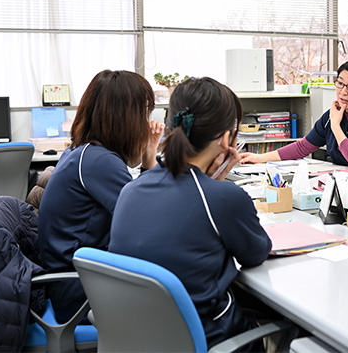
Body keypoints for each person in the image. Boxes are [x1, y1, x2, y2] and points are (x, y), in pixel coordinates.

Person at [109, 77, 272, 350]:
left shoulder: (131, 189)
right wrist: (217, 182)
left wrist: (211, 183)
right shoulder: (224, 198)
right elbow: (257, 252)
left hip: (144, 337)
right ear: (224, 138)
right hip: (208, 338)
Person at [38, 70, 165, 323]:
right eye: (144, 113)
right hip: (82, 293)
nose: (146, 122)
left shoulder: (83, 151)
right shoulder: (99, 161)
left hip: (76, 282)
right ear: (125, 117)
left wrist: (149, 157)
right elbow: (148, 220)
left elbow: (140, 204)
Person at [240, 59, 348, 179]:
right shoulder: (333, 113)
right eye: (340, 84)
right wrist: (260, 158)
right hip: (345, 181)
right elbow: (303, 147)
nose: (343, 92)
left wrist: (336, 125)